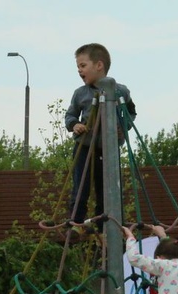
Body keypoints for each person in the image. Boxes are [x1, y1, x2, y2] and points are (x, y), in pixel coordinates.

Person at [65, 43, 136, 230]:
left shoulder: (120, 91)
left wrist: (124, 126)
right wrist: (75, 125)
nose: (79, 70)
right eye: (78, 67)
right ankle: (76, 222)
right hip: (85, 147)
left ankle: (102, 224)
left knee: (106, 188)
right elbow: (70, 115)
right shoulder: (80, 94)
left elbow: (131, 112)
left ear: (99, 65)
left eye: (82, 65)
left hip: (109, 148)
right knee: (81, 184)